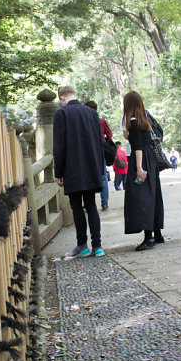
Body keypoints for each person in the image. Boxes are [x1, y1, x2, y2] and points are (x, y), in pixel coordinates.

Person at [53, 86, 105, 257]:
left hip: (72, 168)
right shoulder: (91, 113)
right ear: (75, 95)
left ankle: (82, 245)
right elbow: (99, 143)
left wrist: (58, 172)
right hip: (91, 167)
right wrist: (100, 169)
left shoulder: (62, 114)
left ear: (61, 98)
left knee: (77, 207)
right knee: (91, 205)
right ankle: (97, 246)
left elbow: (59, 146)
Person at [122, 90, 164, 250]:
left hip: (140, 160)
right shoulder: (146, 120)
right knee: (153, 194)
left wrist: (139, 168)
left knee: (141, 197)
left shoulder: (133, 122)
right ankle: (157, 233)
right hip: (151, 159)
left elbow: (137, 147)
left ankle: (148, 237)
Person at [85, 100, 113, 210]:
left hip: (87, 150)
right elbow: (110, 135)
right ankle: (104, 202)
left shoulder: (84, 121)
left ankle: (88, 203)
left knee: (87, 174)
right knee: (104, 175)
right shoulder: (101, 120)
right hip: (100, 149)